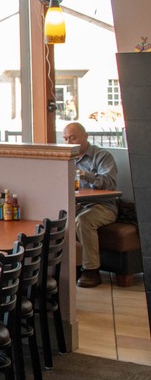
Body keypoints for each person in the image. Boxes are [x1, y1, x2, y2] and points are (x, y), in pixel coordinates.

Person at [67, 122, 118, 288]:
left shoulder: (102, 156)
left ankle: (92, 271)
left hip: (103, 206)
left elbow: (109, 183)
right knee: (59, 219)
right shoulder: (66, 157)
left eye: (73, 138)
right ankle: (66, 268)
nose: (69, 142)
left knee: (83, 221)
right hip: (77, 204)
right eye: (66, 139)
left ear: (85, 136)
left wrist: (83, 174)